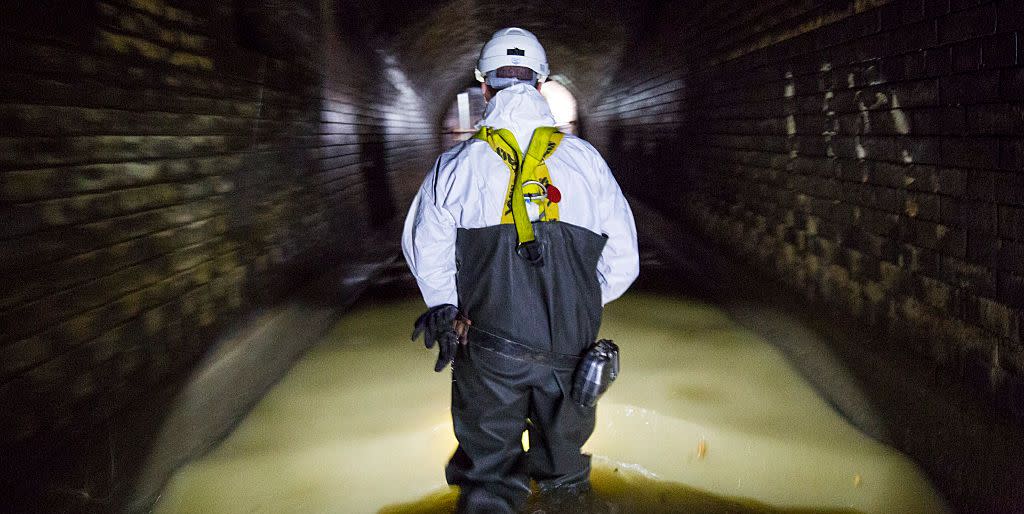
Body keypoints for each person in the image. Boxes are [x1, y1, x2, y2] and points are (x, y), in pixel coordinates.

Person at [402, 27, 639, 514]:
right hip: (573, 358)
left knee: (489, 480)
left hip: (488, 353)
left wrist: (448, 308)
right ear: (540, 84)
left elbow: (426, 253)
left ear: (484, 87)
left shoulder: (455, 167)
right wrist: (574, 301)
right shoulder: (586, 163)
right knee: (566, 477)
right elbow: (625, 262)